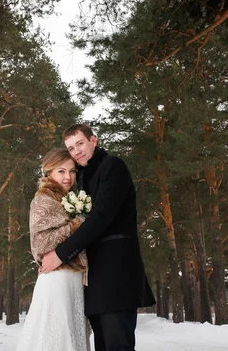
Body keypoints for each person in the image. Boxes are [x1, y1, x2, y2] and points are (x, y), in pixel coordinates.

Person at [41, 124, 155, 351]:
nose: (76, 152)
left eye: (80, 144)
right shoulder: (79, 178)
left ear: (93, 140)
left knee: (117, 345)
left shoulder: (112, 166)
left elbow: (101, 217)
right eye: (71, 148)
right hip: (92, 279)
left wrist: (60, 254)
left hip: (116, 274)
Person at [16, 148, 91, 351]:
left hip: (74, 280)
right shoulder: (43, 200)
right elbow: (40, 244)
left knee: (72, 336)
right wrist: (77, 224)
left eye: (72, 171)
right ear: (48, 173)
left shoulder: (69, 199)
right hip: (57, 279)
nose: (68, 177)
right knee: (56, 336)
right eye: (61, 171)